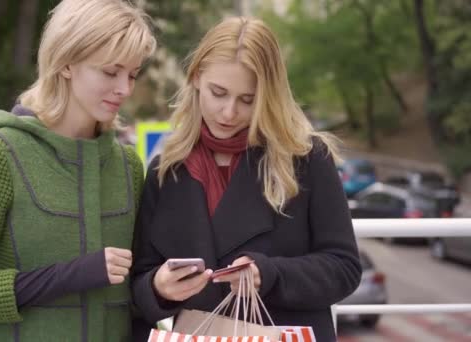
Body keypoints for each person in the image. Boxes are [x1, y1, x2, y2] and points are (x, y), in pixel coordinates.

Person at [0, 1, 156, 341]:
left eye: (132, 74)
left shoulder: (127, 166)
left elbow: (135, 290)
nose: (124, 88)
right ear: (66, 63)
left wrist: (162, 286)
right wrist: (72, 275)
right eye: (110, 72)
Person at [131, 17, 361, 342]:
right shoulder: (166, 171)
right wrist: (158, 287)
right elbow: (141, 280)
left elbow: (344, 268)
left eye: (247, 100)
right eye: (218, 93)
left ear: (269, 95)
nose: (228, 113)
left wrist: (269, 274)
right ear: (196, 77)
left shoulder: (306, 159)